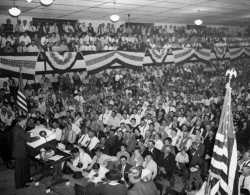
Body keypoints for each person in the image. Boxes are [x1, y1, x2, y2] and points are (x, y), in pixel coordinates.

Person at [12, 115, 38, 189]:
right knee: (19, 169)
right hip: (19, 152)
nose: (26, 122)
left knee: (25, 167)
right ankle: (19, 184)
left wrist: (28, 134)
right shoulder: (18, 129)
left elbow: (23, 135)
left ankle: (26, 179)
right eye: (25, 121)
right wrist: (37, 137)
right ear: (22, 121)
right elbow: (29, 139)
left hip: (22, 151)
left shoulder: (18, 127)